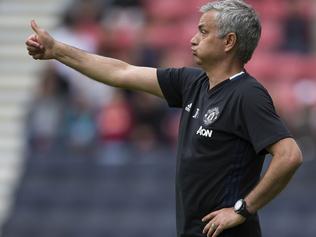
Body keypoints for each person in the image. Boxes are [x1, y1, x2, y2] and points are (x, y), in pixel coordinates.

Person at [25, 0, 303, 236]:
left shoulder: (247, 94)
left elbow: (289, 156)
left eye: (204, 32)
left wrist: (242, 209)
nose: (193, 39)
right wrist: (57, 51)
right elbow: (121, 72)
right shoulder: (191, 83)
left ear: (229, 42)